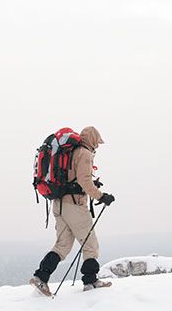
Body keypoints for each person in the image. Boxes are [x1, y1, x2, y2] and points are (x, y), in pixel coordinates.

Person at [30, 126, 116, 294]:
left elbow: (74, 178)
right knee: (90, 245)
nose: (97, 146)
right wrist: (101, 196)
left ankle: (41, 277)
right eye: (97, 142)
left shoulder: (72, 152)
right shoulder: (85, 153)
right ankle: (90, 282)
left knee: (62, 245)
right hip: (74, 205)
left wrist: (90, 186)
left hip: (59, 203)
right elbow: (84, 181)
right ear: (91, 139)